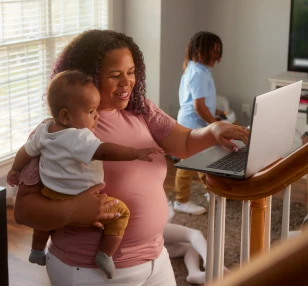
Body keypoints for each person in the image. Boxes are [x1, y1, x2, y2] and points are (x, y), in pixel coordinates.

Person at [14, 29, 249, 286]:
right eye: (115, 75)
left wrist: (213, 130)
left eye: (131, 72)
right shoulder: (57, 133)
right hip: (89, 272)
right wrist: (71, 211)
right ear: (87, 78)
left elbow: (183, 142)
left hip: (156, 259)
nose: (127, 83)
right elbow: (24, 210)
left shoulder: (141, 110)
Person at [7, 70, 163, 279]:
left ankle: (36, 250)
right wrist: (135, 153)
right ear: (65, 116)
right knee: (121, 214)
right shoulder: (78, 138)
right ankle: (105, 254)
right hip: (82, 198)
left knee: (44, 225)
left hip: (50, 194)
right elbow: (104, 150)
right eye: (91, 112)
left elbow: (25, 152)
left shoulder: (44, 131)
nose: (96, 116)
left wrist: (15, 170)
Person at [174, 31, 226, 215]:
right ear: (202, 50)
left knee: (203, 160)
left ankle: (211, 191)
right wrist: (215, 124)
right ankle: (181, 200)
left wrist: (216, 114)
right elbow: (198, 106)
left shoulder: (199, 69)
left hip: (196, 122)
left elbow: (201, 102)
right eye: (214, 50)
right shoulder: (198, 73)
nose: (217, 55)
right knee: (189, 162)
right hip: (192, 124)